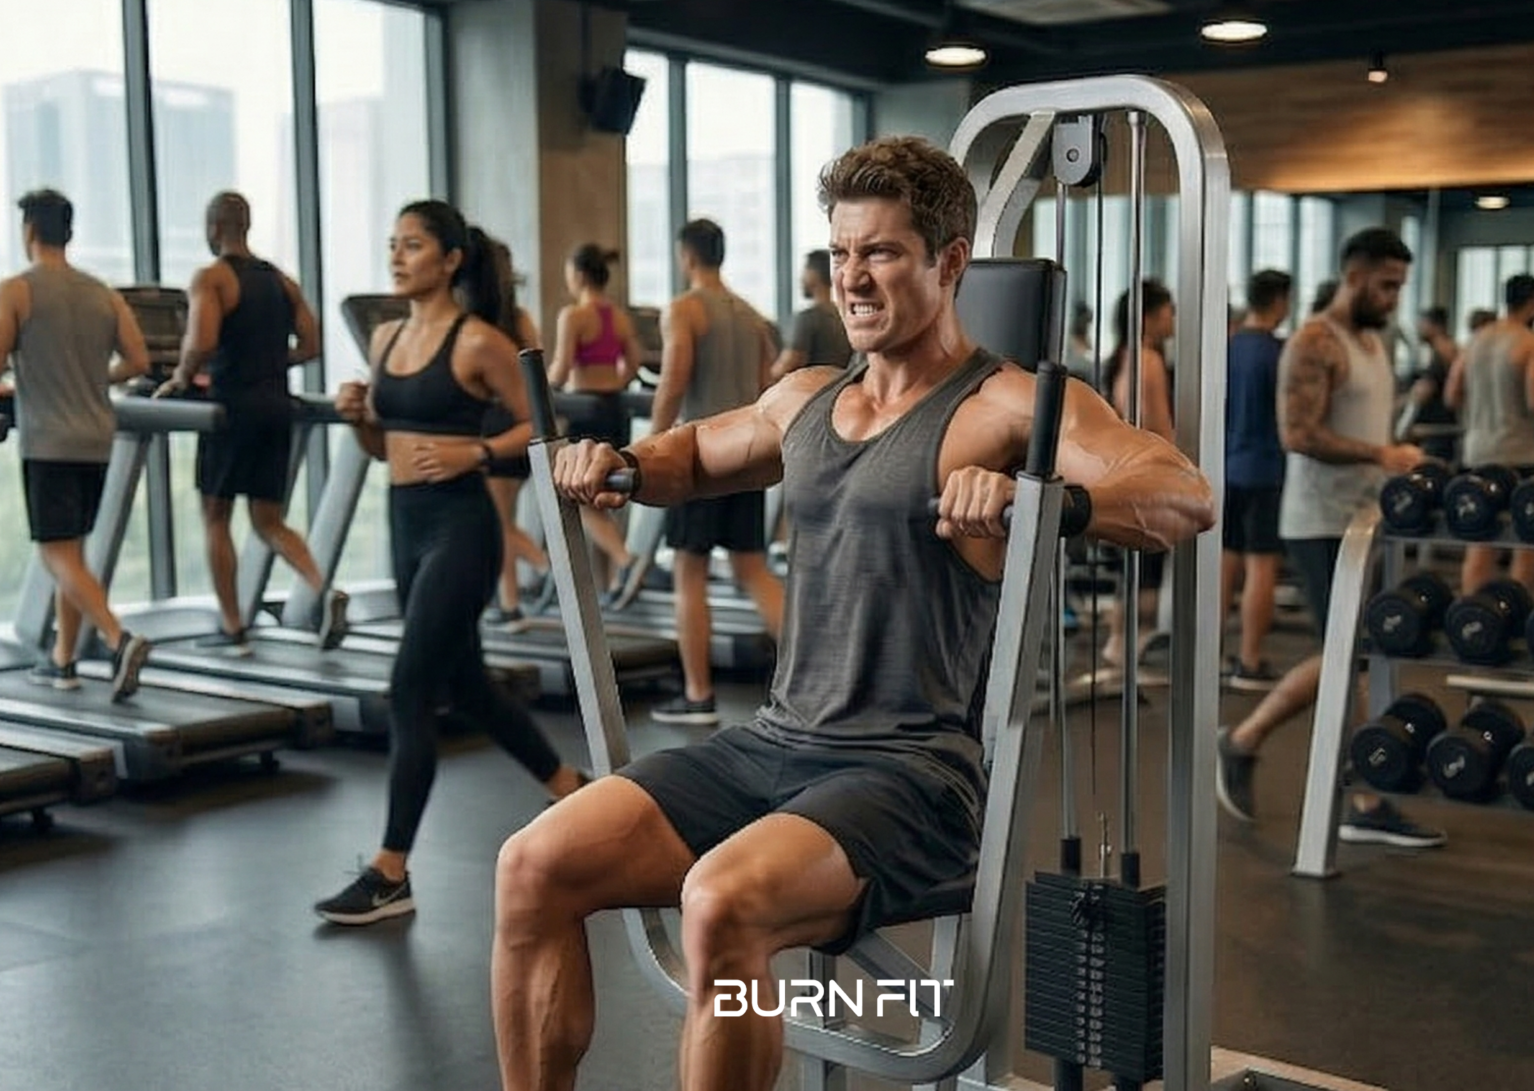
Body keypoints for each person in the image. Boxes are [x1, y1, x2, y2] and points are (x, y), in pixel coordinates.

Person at [492, 133, 1216, 1091]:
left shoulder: (1007, 407)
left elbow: (1178, 492)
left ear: (948, 261)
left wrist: (1042, 500)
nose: (852, 278)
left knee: (720, 904)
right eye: (841, 253)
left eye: (880, 252)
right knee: (531, 865)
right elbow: (697, 454)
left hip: (912, 775)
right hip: (776, 747)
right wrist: (616, 464)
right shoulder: (804, 397)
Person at [320, 200, 589, 926]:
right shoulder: (383, 339)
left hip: (462, 525)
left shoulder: (477, 342)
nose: (398, 256)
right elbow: (386, 448)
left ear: (450, 260)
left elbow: (544, 419)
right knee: (464, 681)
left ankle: (390, 870)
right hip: (405, 518)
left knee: (410, 684)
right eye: (392, 244)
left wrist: (481, 450)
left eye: (413, 245)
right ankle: (569, 783)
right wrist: (362, 419)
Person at [1214, 227, 1443, 849]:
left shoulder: (1373, 340)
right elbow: (1298, 433)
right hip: (1319, 523)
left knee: (1355, 655)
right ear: (1354, 275)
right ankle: (1364, 797)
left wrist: (1392, 464)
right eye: (1386, 284)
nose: (1395, 297)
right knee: (1351, 657)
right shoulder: (1316, 340)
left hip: (1367, 521)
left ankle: (1243, 739)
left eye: (1399, 285)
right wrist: (1383, 453)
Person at [0, 190, 151, 700]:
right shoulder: (103, 294)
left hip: (49, 440)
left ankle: (118, 637)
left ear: (29, 233)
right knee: (73, 550)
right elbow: (138, 362)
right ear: (69, 231)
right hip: (97, 437)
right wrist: (92, 378)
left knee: (53, 552)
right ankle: (64, 660)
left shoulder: (15, 291)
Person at [154, 192, 348, 654]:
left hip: (232, 409)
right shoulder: (281, 280)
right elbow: (313, 343)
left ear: (215, 228)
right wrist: (271, 360)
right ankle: (323, 589)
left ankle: (233, 626)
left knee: (216, 516)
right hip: (276, 404)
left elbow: (200, 341)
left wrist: (181, 378)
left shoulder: (212, 278)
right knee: (269, 520)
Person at [648, 219, 786, 726]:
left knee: (689, 571)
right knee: (752, 568)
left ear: (687, 256)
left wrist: (649, 448)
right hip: (745, 456)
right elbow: (761, 388)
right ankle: (817, 679)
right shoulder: (752, 317)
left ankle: (698, 694)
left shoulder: (683, 310)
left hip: (698, 458)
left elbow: (673, 382)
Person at [1445, 273, 1534, 593]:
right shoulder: (1532, 343)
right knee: (1527, 537)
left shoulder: (1477, 339)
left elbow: (1451, 394)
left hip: (1477, 449)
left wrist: (1478, 413)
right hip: (1517, 451)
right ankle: (1514, 611)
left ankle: (1472, 614)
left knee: (1480, 538)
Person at [543, 242, 640, 604]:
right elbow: (633, 362)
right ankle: (609, 587)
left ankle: (625, 561)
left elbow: (561, 367)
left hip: (584, 410)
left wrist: (537, 390)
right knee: (601, 495)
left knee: (581, 497)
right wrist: (614, 384)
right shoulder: (619, 316)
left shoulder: (573, 315)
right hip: (613, 408)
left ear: (579, 275)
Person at [1098, 279, 1175, 670]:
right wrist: (1182, 469)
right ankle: (1129, 646)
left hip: (1122, 473)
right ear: (1149, 318)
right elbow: (1159, 426)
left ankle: (1118, 644)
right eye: (1168, 312)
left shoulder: (1125, 356)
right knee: (1146, 571)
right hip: (1145, 476)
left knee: (1131, 570)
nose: (1173, 320)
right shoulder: (1149, 360)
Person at [1221, 269, 1292, 691]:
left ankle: (1209, 658)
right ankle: (1249, 659)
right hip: (1266, 469)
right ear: (1281, 301)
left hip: (1227, 468)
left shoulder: (1227, 346)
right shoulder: (1278, 353)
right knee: (1262, 566)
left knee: (1226, 560)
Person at [475, 239, 552, 622]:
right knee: (499, 520)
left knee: (498, 521)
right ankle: (510, 601)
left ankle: (539, 573)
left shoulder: (478, 323)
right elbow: (537, 368)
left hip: (496, 429)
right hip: (524, 430)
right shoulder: (519, 317)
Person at [769, 249, 854, 380]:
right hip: (838, 391)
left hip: (811, 394)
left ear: (813, 274)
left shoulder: (809, 317)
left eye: (804, 270)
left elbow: (788, 364)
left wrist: (763, 379)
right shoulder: (845, 316)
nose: (801, 278)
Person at [1402, 305, 1461, 464]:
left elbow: (1425, 391)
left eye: (1422, 323)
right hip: (1436, 430)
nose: (1418, 328)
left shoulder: (1444, 351)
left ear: (1435, 325)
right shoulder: (1442, 351)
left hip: (1437, 431)